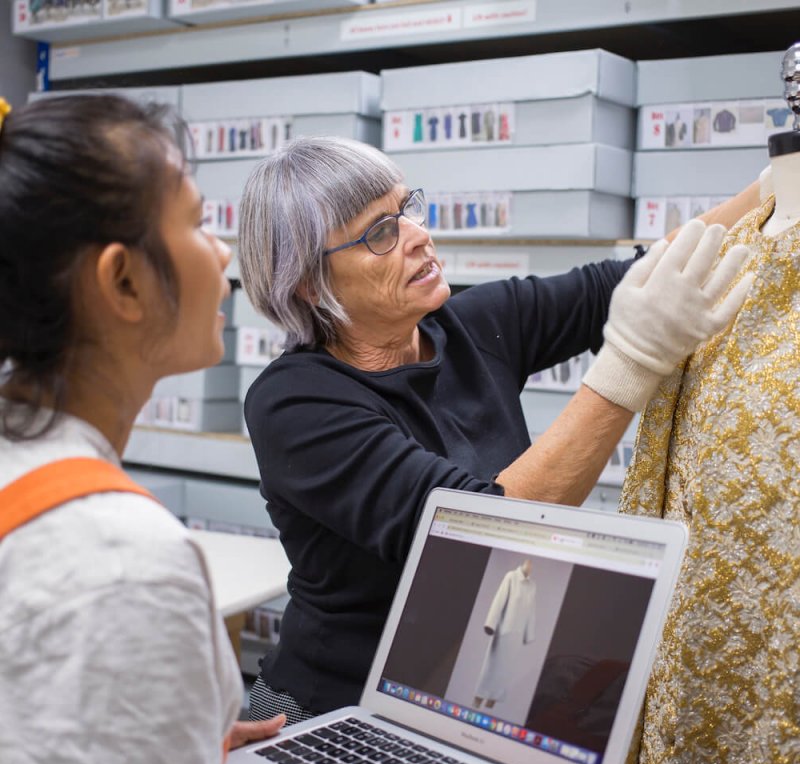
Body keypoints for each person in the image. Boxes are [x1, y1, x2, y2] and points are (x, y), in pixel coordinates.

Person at [237, 136, 760, 724]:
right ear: (310, 284)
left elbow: (642, 275)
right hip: (338, 711)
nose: (417, 234)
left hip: (474, 689)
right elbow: (486, 535)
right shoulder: (294, 403)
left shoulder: (467, 325)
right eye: (380, 233)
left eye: (408, 207)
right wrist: (633, 358)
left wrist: (773, 185)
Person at [0, 94, 284, 764]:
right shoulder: (125, 565)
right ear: (122, 280)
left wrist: (162, 736)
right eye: (197, 222)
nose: (223, 253)